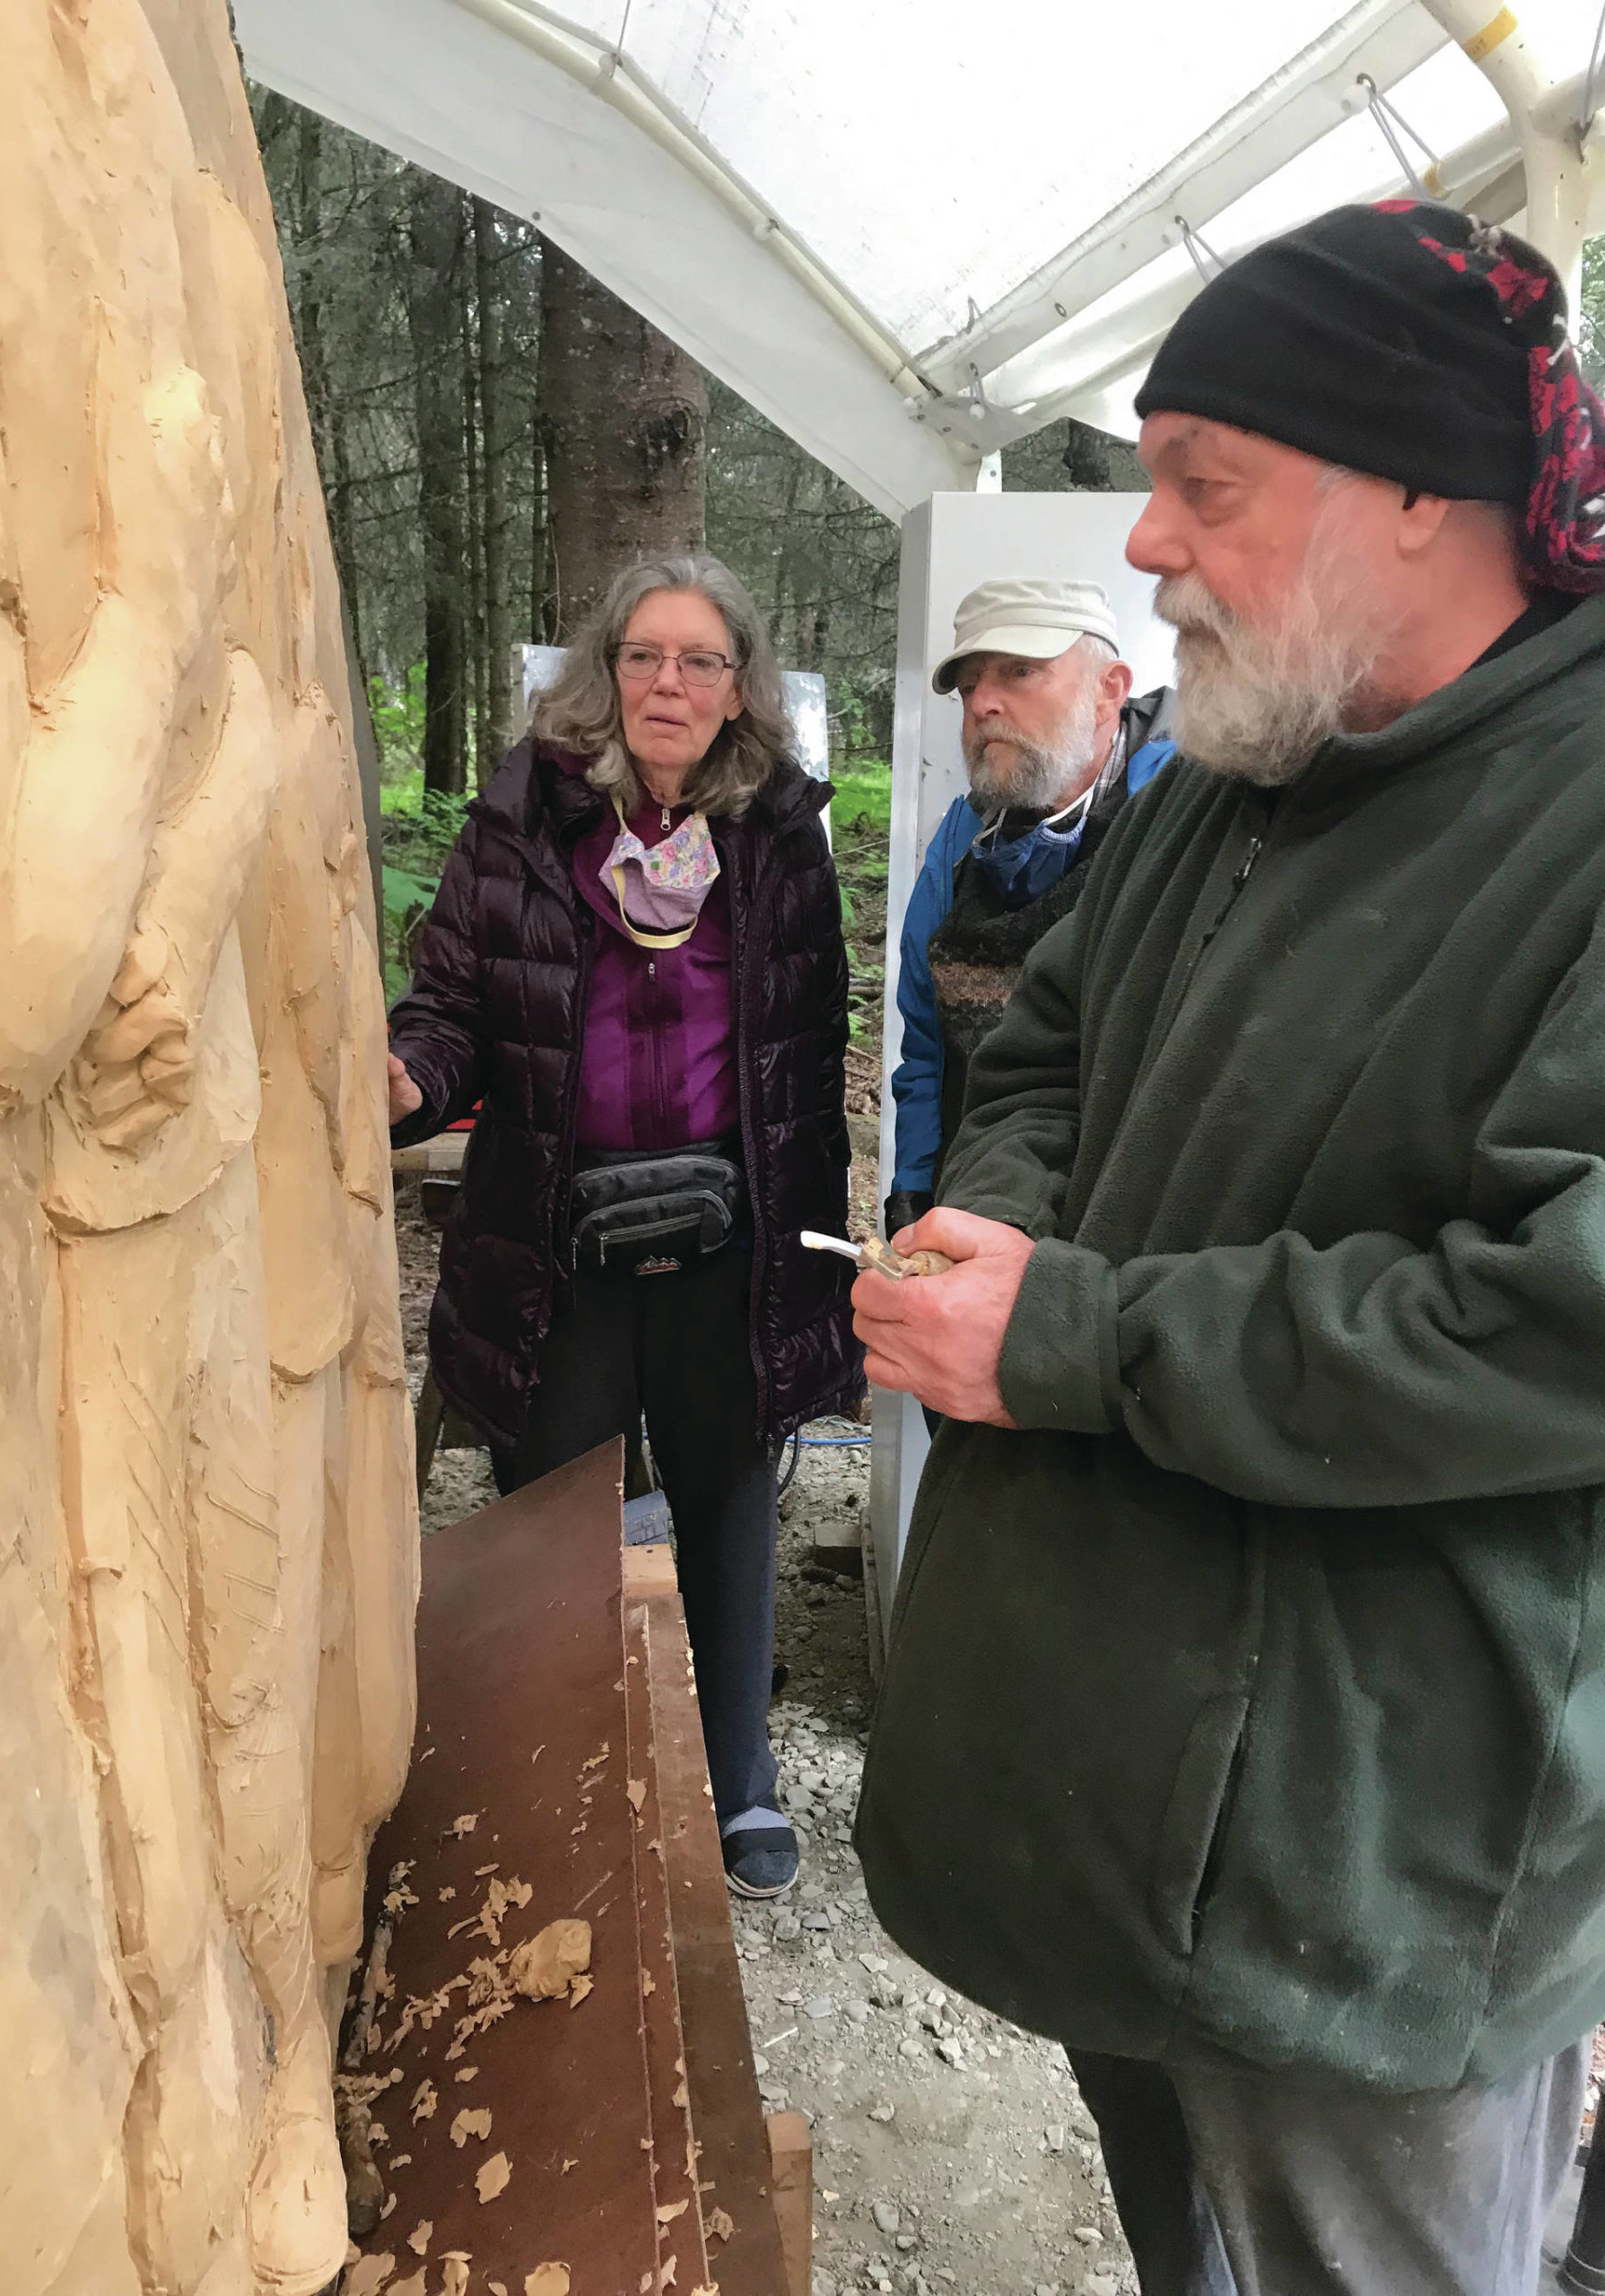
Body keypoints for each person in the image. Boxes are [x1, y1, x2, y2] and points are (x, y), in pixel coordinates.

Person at [851, 199, 1605, 2296]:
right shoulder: (1231, 757)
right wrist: (980, 1223)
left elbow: (1562, 1319)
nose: (1147, 546)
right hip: (1114, 1788)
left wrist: (1070, 1336)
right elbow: (1044, 1059)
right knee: (1180, 2227)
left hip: (1365, 1865)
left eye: (1205, 484)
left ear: (1420, 495)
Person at [388, 552, 862, 1900]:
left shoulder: (778, 835)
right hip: (555, 1235)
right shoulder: (524, 820)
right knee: (551, 1515)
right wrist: (410, 1076)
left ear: (739, 690)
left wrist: (810, 1251)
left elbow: (798, 1064)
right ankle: (556, 1775)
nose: (669, 682)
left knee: (725, 1498)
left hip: (729, 1234)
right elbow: (453, 1007)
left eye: (700, 660)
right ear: (606, 674)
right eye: (645, 655)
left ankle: (736, 1786)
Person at [884, 578, 1173, 1239]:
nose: (984, 703)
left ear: (1110, 688)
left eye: (1020, 672)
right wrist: (913, 1195)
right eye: (969, 686)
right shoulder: (960, 839)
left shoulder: (1179, 816)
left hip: (1124, 1232)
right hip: (977, 1207)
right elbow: (928, 1046)